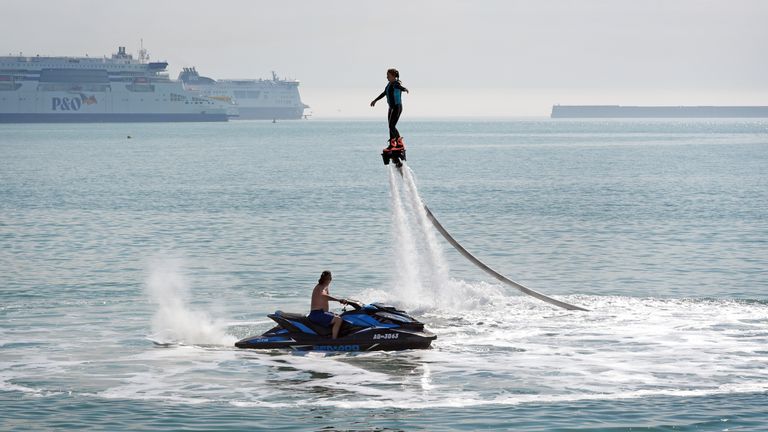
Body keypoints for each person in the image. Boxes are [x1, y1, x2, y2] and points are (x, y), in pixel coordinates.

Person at [370, 68, 409, 150]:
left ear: (394, 76)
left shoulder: (396, 83)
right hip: (391, 108)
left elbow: (399, 87)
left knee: (392, 126)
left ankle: (399, 143)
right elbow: (384, 93)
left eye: (388, 76)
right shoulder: (389, 84)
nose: (387, 77)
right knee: (390, 126)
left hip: (397, 107)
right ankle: (392, 144)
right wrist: (375, 100)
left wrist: (404, 89)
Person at [308, 270, 348, 339]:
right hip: (317, 314)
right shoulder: (321, 287)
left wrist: (342, 299)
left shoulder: (324, 287)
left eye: (329, 279)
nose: (329, 280)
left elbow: (326, 297)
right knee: (338, 320)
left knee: (340, 316)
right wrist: (338, 300)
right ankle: (334, 340)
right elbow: (324, 296)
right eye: (328, 279)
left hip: (322, 313)